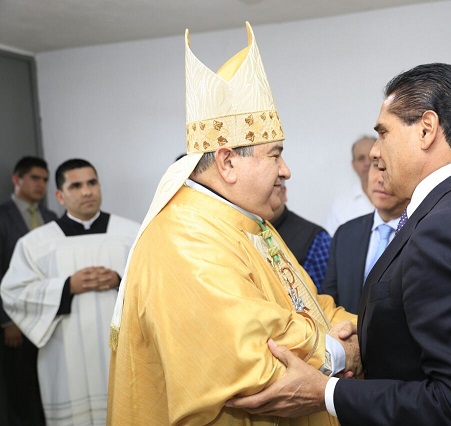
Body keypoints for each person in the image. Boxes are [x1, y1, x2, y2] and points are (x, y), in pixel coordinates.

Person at [227, 63, 451, 426]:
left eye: (383, 133)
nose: (374, 152)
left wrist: (326, 392)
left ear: (426, 129)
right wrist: (374, 334)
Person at [107, 22, 358, 425]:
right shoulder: (184, 236)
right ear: (226, 162)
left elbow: (309, 305)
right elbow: (252, 360)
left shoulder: (250, 223)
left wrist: (355, 331)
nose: (286, 170)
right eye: (275, 154)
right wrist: (343, 352)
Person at [1, 158, 139, 425]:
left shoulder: (131, 234)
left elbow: (156, 284)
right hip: (64, 353)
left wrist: (120, 280)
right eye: (76, 186)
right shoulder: (36, 243)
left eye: (92, 183)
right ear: (59, 196)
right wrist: (66, 287)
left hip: (120, 352)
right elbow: (13, 292)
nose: (87, 192)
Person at [0, 156, 55, 425]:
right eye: (35, 178)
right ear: (17, 179)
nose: (41, 184)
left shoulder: (51, 217)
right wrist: (6, 321)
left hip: (50, 315)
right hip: (16, 320)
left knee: (49, 385)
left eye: (45, 180)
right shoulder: (2, 216)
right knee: (21, 390)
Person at [322, 163, 408, 313]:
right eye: (377, 166)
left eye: (389, 168)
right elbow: (328, 301)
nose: (380, 179)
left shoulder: (422, 235)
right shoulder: (345, 234)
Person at [272, 181, 332, 292]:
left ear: (284, 193)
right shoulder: (243, 230)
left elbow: (326, 296)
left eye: (273, 188)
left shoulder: (316, 240)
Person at [323, 135, 375, 235]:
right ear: (353, 165)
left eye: (372, 157)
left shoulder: (400, 197)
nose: (367, 163)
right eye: (361, 158)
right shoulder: (340, 205)